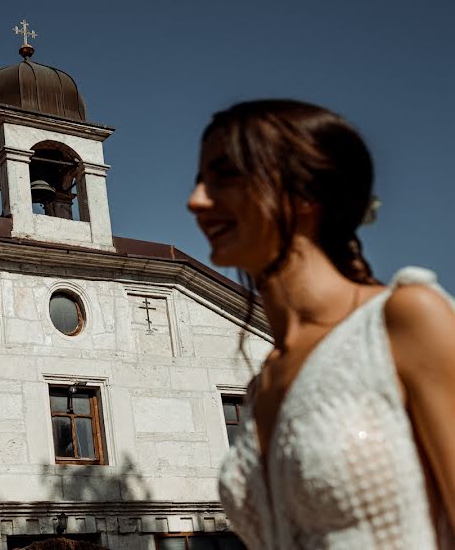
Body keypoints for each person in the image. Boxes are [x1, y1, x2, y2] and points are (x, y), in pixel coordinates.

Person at [187, 99, 455, 548]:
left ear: (306, 193)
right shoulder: (263, 381)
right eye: (198, 181)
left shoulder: (404, 319)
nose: (196, 201)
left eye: (225, 175)